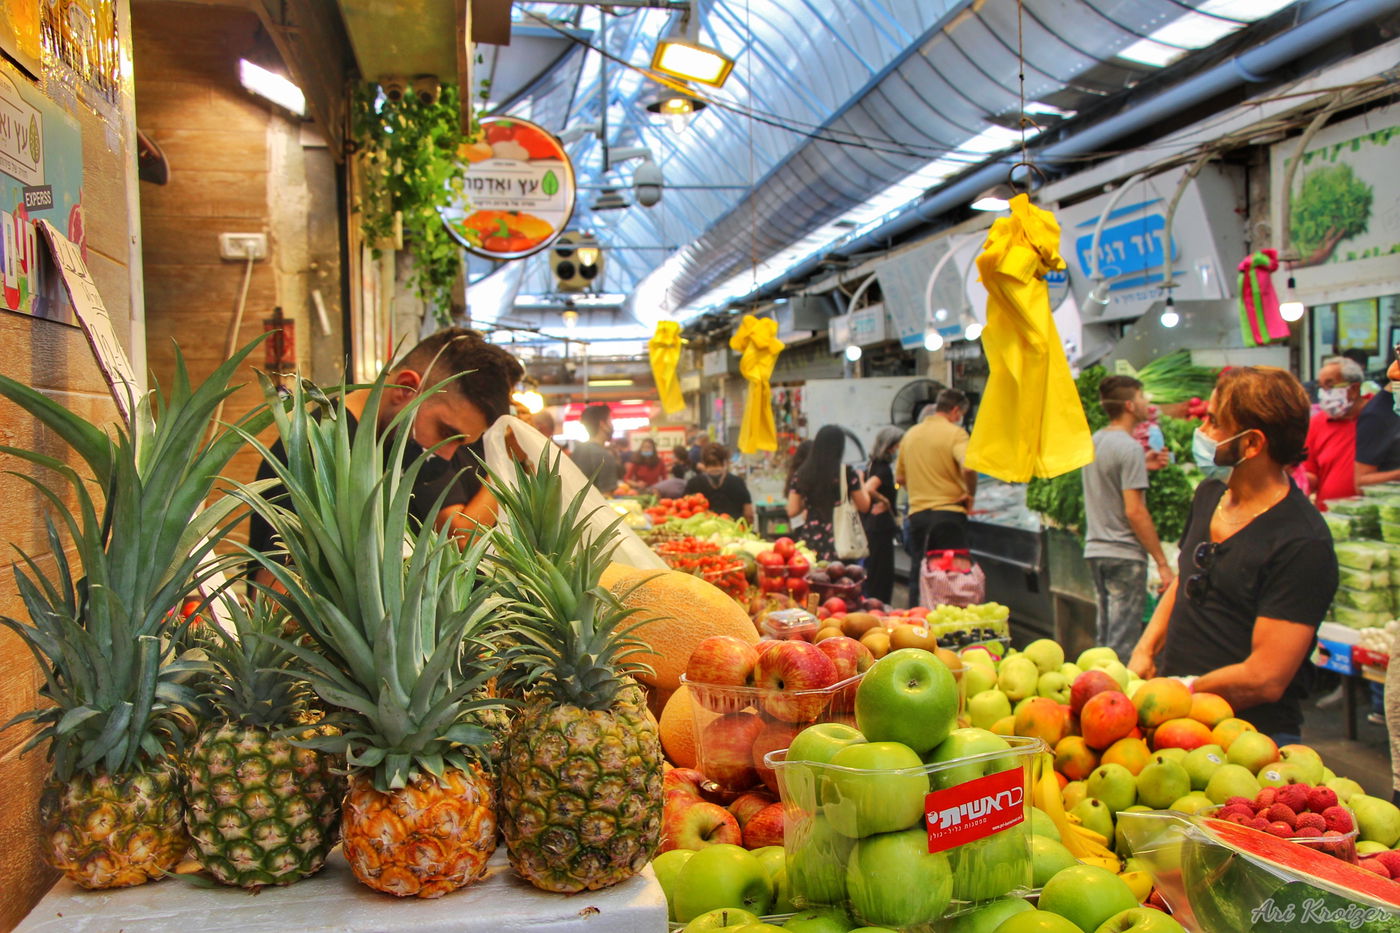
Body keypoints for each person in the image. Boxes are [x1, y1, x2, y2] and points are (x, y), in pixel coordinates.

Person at [1128, 367, 1338, 745]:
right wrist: (1145, 648)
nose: (1201, 431)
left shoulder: (1301, 543)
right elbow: (1184, 579)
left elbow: (1265, 678)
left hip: (1247, 735)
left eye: (1212, 421)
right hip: (1176, 718)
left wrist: (1186, 689)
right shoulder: (1210, 494)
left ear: (1252, 443)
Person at [247, 327, 525, 564]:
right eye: (445, 433)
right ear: (405, 388)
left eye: (461, 443)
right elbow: (276, 590)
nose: (445, 456)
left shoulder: (383, 451)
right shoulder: (316, 451)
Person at [1082, 376, 1175, 663]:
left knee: (1105, 640)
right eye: (1143, 396)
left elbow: (1108, 477)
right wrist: (1161, 561)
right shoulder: (1129, 448)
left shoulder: (1095, 441)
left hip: (1096, 551)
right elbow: (1135, 511)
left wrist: (1142, 465)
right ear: (1130, 405)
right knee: (1122, 647)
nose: (1147, 402)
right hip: (1123, 554)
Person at [896, 389, 977, 561]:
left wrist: (921, 490)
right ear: (955, 411)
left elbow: (900, 478)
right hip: (949, 514)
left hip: (917, 515)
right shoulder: (956, 434)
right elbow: (968, 468)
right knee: (951, 574)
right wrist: (970, 494)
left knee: (922, 572)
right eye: (961, 414)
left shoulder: (910, 435)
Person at [787, 426, 870, 561]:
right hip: (842, 541)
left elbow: (792, 510)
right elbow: (864, 506)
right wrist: (860, 480)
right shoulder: (847, 473)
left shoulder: (802, 473)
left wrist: (809, 501)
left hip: (812, 540)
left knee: (814, 578)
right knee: (842, 579)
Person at [1303, 356, 1366, 506]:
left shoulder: (1377, 417)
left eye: (1330, 386)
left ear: (1354, 389)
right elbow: (1311, 475)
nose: (1324, 393)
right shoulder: (1316, 423)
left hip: (1372, 516)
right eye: (1321, 387)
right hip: (1330, 517)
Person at [862, 427, 904, 605]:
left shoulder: (871, 465)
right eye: (896, 445)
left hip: (873, 524)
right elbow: (869, 488)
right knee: (882, 571)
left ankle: (872, 603)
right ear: (890, 446)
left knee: (874, 568)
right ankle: (878, 605)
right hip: (881, 525)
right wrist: (884, 500)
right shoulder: (883, 469)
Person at [685, 443, 755, 524]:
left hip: (702, 534)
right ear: (724, 459)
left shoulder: (693, 483)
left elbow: (685, 511)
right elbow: (749, 514)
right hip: (735, 532)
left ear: (703, 460)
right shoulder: (738, 482)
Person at [571, 403, 620, 493]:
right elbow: (608, 496)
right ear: (603, 424)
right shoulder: (605, 456)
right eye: (610, 420)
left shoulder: (577, 450)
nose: (612, 425)